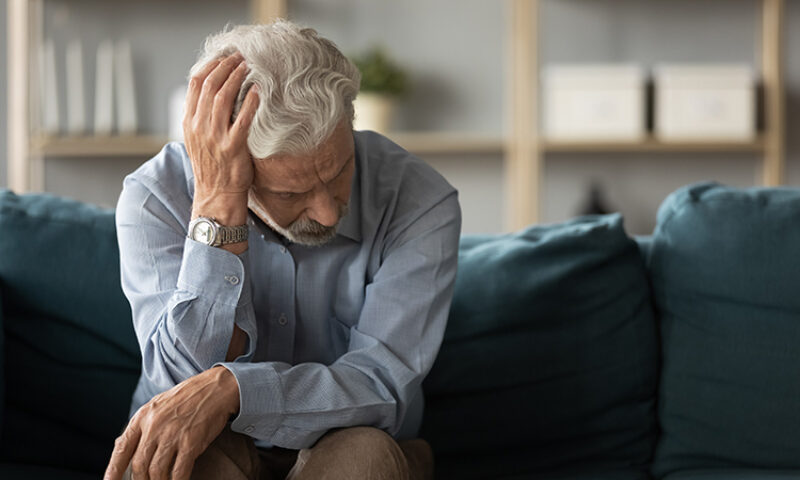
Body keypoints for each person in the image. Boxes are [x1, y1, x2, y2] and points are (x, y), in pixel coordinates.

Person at [104, 20, 461, 480]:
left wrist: (238, 389)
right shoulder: (155, 198)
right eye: (290, 195)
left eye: (338, 172)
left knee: (365, 459)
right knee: (183, 463)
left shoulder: (419, 198)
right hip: (208, 446)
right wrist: (217, 207)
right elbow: (178, 386)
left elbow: (383, 385)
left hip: (353, 440)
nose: (329, 214)